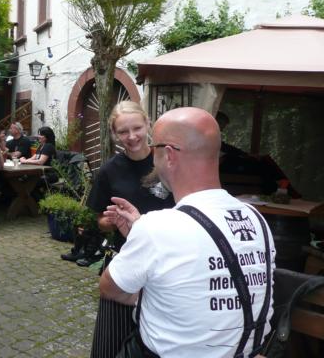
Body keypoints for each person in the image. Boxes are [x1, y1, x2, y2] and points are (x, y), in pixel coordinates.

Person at [100, 107, 275, 357]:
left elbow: (110, 288)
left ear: (169, 155)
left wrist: (143, 235)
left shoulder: (157, 227)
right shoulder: (256, 218)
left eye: (155, 148)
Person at [86, 101, 175, 357]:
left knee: (162, 341)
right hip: (126, 260)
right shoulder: (109, 171)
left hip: (168, 262)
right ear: (115, 134)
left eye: (137, 128)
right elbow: (98, 220)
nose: (132, 136)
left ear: (148, 124)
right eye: (123, 131)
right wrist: (112, 222)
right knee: (111, 341)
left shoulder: (167, 162)